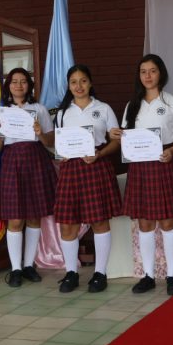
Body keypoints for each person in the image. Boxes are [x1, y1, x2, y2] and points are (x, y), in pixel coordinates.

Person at [110, 54, 173, 296]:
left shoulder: (172, 102)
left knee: (167, 221)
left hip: (165, 163)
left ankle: (172, 276)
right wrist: (116, 135)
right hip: (140, 167)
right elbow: (126, 137)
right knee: (144, 222)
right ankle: (148, 276)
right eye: (143, 71)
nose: (147, 75)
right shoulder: (132, 105)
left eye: (152, 70)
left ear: (161, 73)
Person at [54, 65, 122, 293]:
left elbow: (116, 141)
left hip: (96, 166)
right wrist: (61, 155)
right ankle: (71, 272)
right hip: (71, 170)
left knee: (99, 221)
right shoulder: (62, 113)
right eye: (73, 82)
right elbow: (58, 146)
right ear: (68, 86)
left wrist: (100, 154)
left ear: (90, 83)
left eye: (83, 80)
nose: (79, 86)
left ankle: (100, 273)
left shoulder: (103, 109)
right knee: (68, 224)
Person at [0, 67, 56, 288]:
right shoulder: (2, 112)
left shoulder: (39, 109)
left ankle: (28, 265)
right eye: (14, 81)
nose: (19, 85)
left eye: (23, 81)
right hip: (12, 162)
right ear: (8, 86)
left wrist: (40, 133)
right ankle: (16, 268)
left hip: (35, 160)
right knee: (15, 219)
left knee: (34, 217)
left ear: (29, 85)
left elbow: (50, 141)